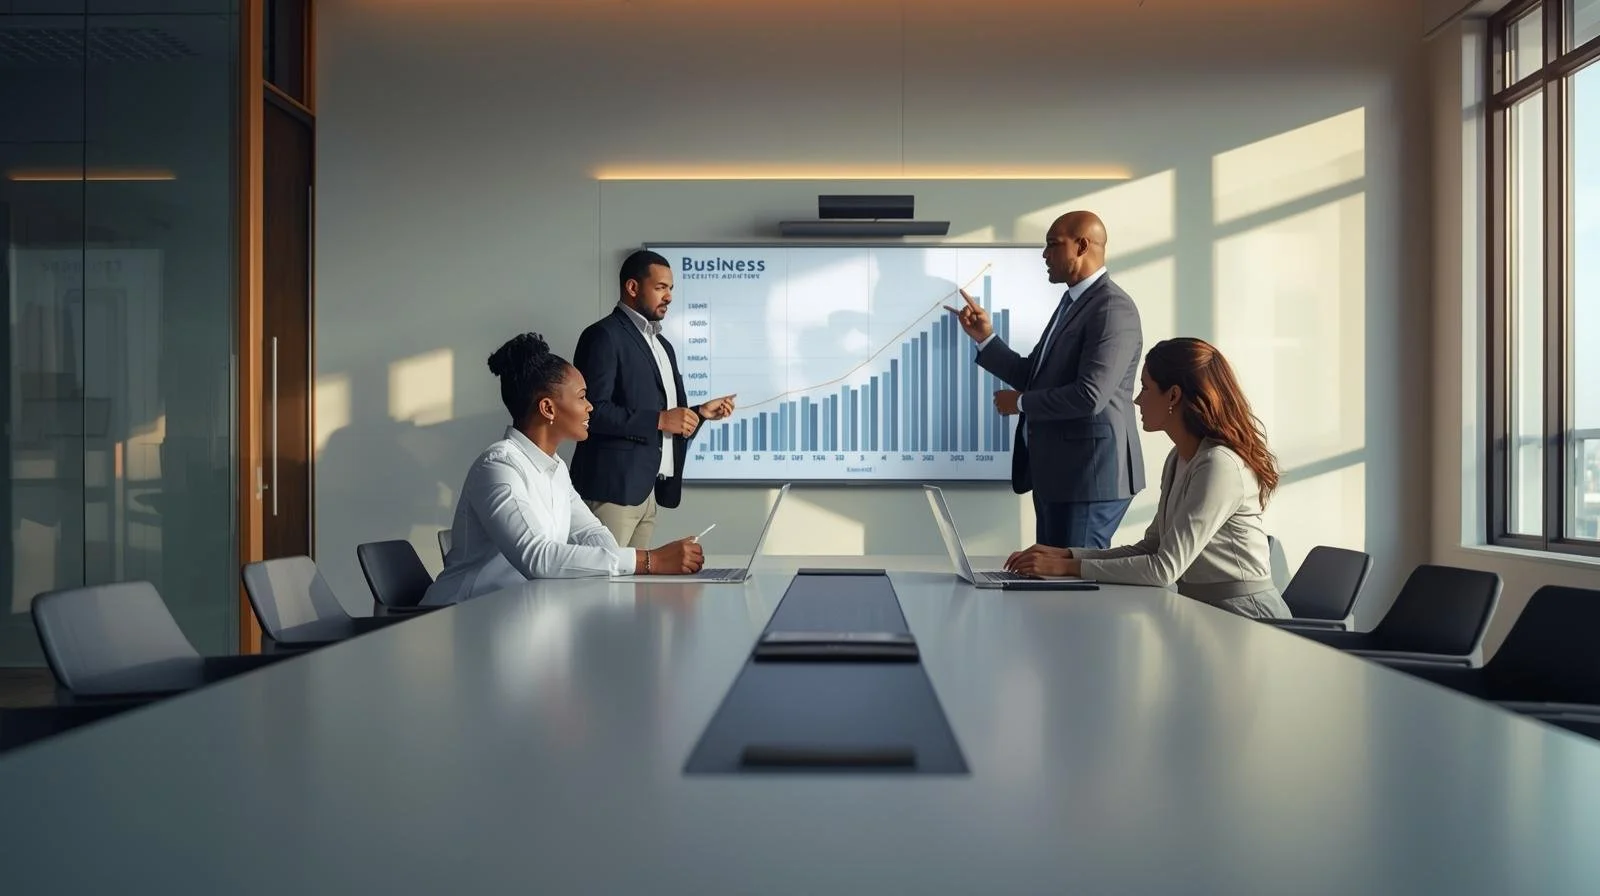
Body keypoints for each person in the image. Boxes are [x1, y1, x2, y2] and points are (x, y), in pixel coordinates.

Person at [1004, 338, 1290, 620]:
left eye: (1146, 387)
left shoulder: (1219, 465)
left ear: (1173, 396)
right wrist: (1067, 555)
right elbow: (1151, 548)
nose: (1137, 399)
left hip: (1249, 618)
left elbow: (1164, 569)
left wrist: (1068, 569)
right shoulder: (1178, 459)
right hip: (1205, 614)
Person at [423, 333, 705, 606]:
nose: (590, 407)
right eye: (582, 397)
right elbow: (537, 557)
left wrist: (636, 561)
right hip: (461, 618)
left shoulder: (555, 468)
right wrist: (650, 561)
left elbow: (592, 532)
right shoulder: (498, 467)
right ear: (548, 408)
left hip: (517, 613)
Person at [945, 210, 1143, 549]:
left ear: (1082, 246)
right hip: (1061, 476)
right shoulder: (1072, 302)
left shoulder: (1111, 308)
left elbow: (1089, 395)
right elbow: (1034, 375)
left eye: (1053, 244)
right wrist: (986, 339)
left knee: (1073, 590)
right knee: (1052, 584)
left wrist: (1019, 402)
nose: (1044, 254)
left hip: (1089, 478)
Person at [571, 250, 736, 547]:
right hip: (612, 491)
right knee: (600, 585)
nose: (669, 296)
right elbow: (591, 413)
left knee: (632, 589)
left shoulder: (663, 346)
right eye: (661, 287)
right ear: (633, 288)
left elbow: (667, 420)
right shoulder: (603, 336)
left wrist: (698, 413)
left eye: (671, 288)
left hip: (648, 493)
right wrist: (659, 420)